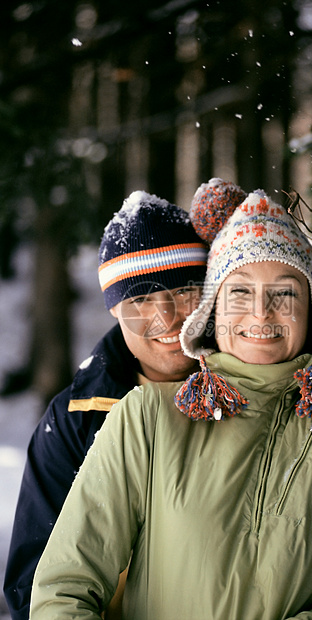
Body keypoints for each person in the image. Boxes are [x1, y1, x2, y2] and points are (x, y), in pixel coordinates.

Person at [29, 179, 312, 619]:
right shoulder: (147, 415)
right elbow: (62, 590)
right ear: (213, 310)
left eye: (284, 293)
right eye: (240, 291)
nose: (261, 313)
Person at [3, 189, 210, 620]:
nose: (167, 317)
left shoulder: (259, 392)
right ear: (115, 310)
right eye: (141, 300)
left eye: (186, 290)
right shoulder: (75, 418)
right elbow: (34, 586)